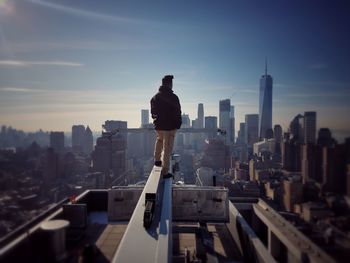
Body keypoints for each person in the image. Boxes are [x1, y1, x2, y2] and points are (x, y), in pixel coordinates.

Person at [150, 75, 182, 178]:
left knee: (159, 141)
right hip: (170, 127)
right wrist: (178, 124)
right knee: (167, 148)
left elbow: (153, 112)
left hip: (159, 126)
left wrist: (156, 121)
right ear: (169, 84)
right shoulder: (173, 97)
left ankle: (157, 161)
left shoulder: (155, 97)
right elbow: (177, 112)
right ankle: (165, 171)